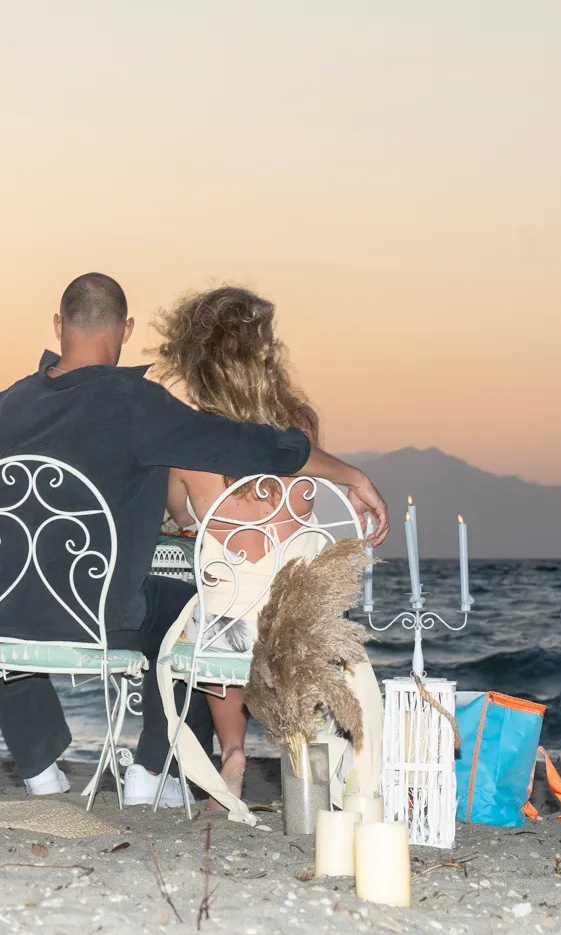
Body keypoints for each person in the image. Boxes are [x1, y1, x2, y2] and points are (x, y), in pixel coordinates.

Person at [0, 273, 388, 807]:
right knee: (193, 609)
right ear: (125, 330)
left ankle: (38, 766)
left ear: (57, 326)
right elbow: (242, 446)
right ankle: (151, 767)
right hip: (101, 617)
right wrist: (350, 475)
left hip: (2, 614)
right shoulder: (134, 403)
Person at [151, 285, 387, 811]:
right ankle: (309, 759)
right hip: (296, 617)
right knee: (250, 602)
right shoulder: (301, 425)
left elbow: (184, 516)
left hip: (227, 628)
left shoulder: (188, 436)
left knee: (211, 611)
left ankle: (231, 752)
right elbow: (305, 485)